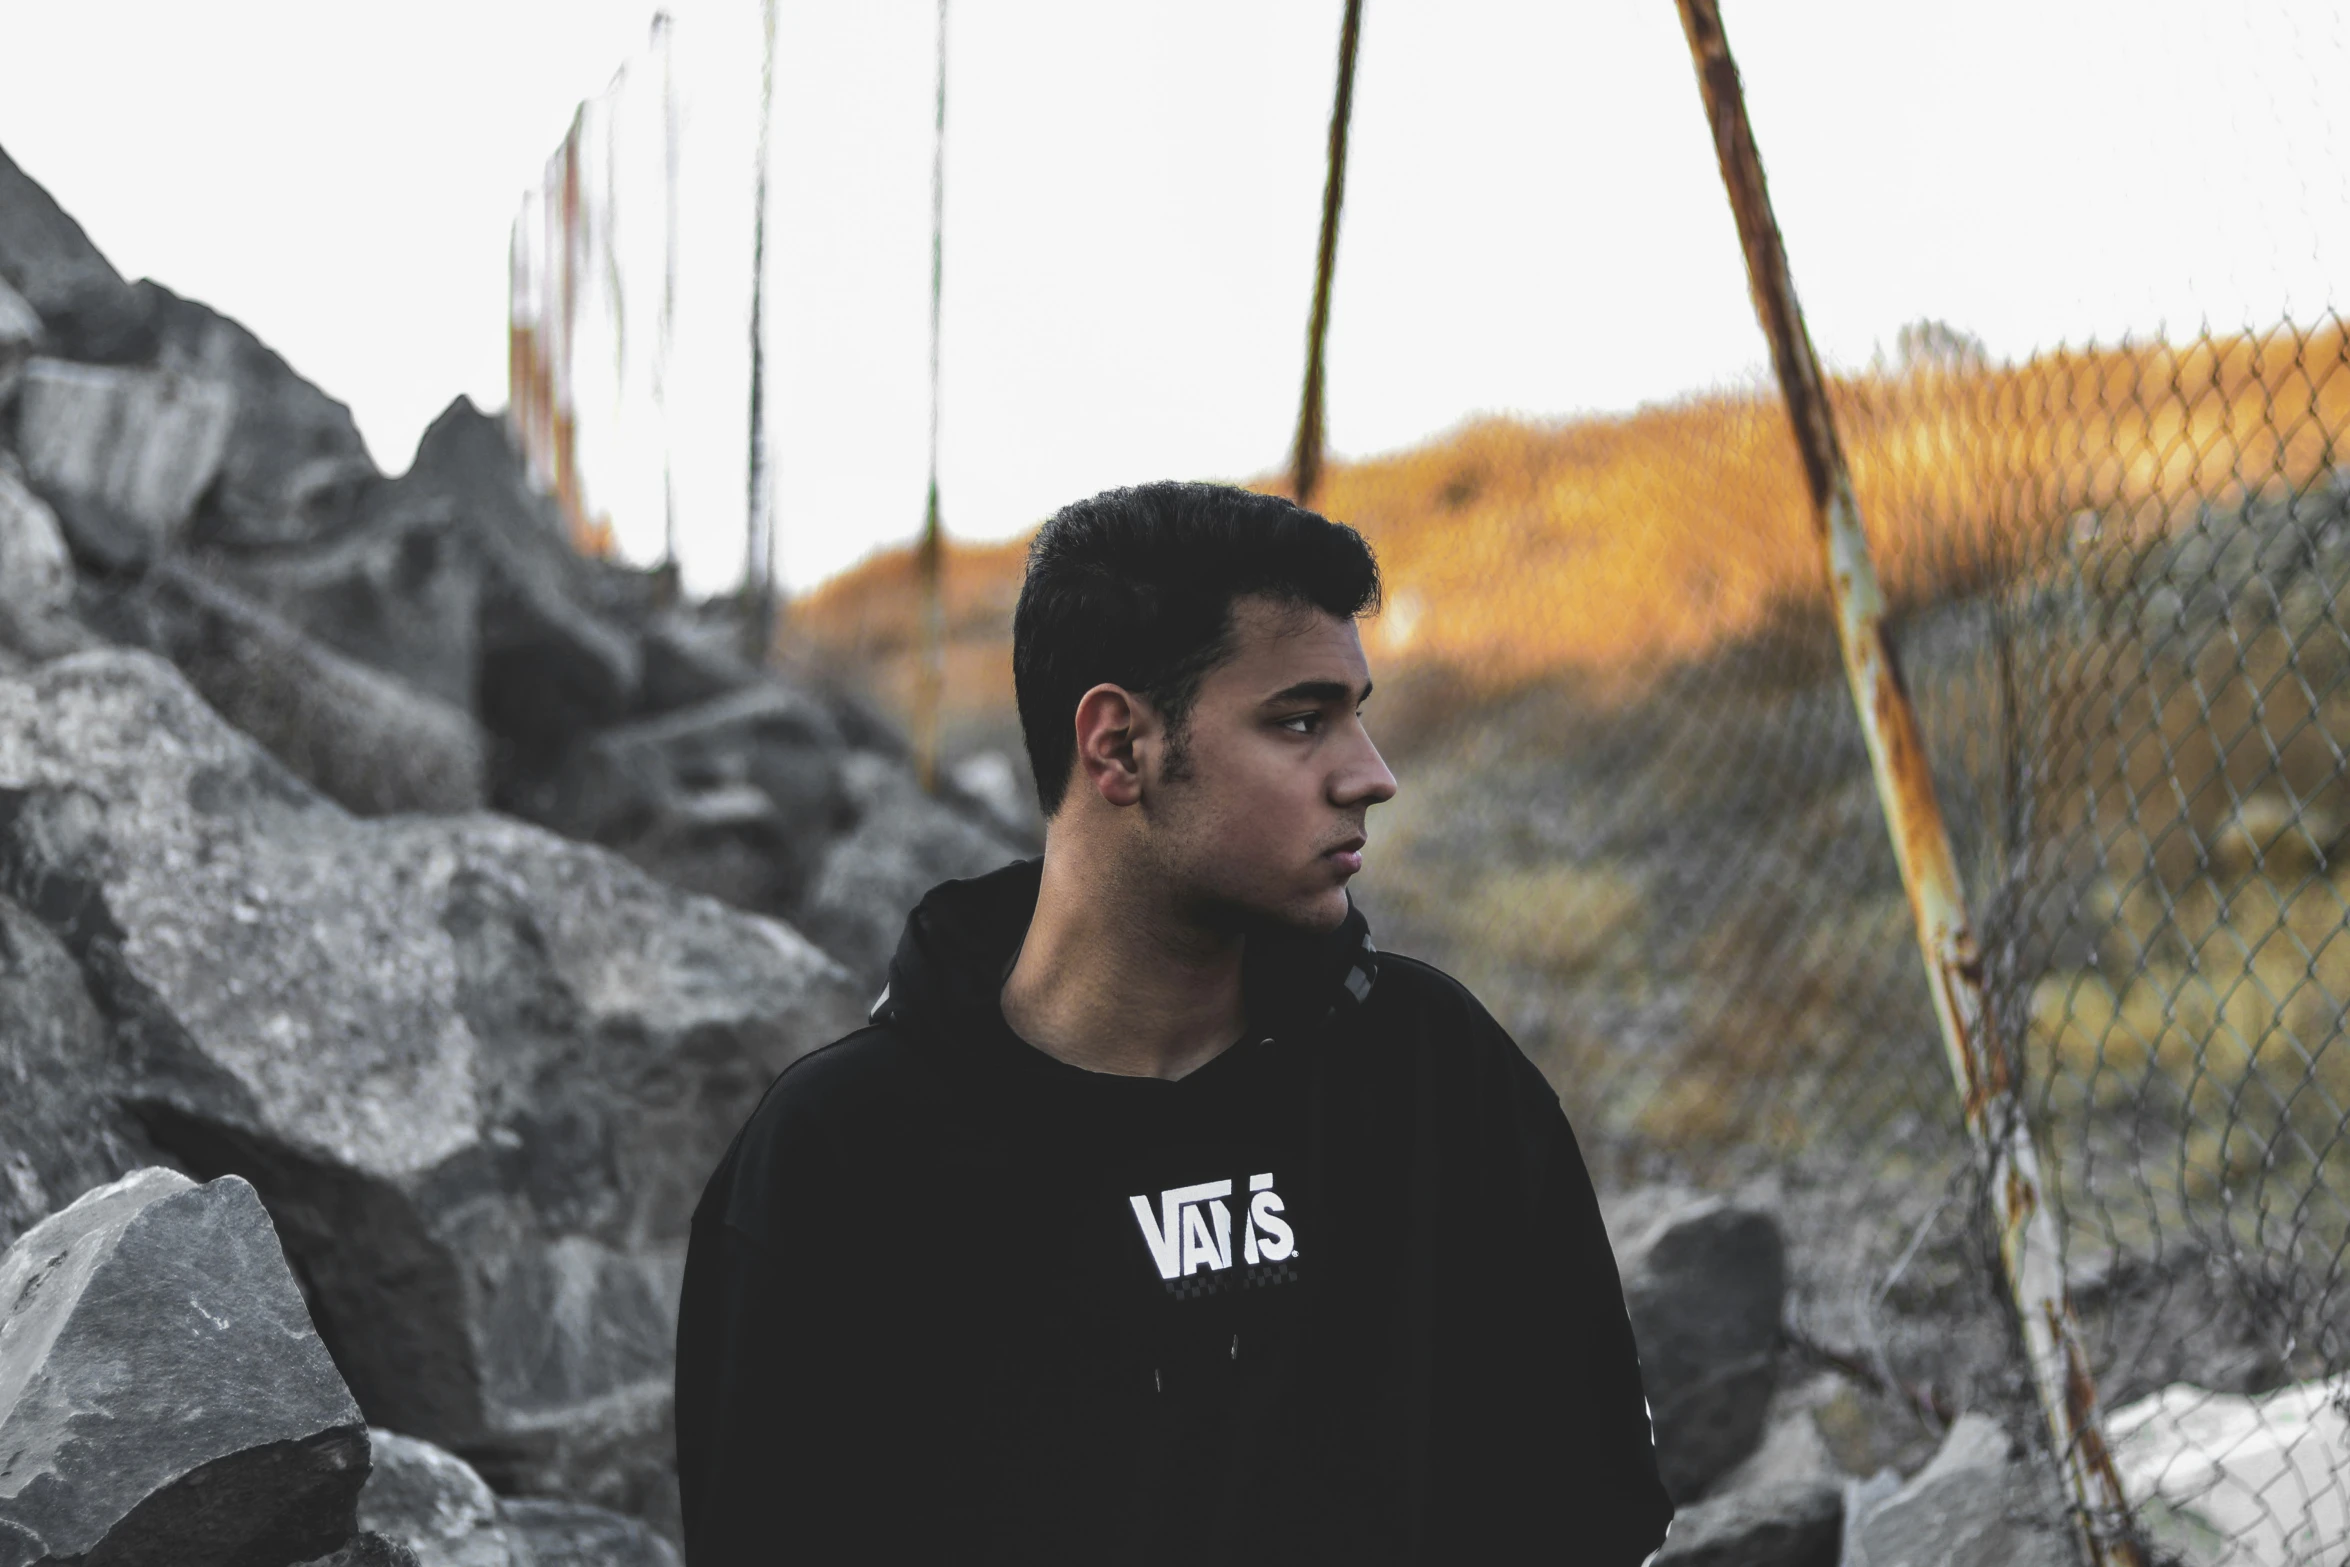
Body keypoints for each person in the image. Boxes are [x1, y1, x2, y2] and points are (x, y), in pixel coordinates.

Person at [675, 482, 1672, 1564]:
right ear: (1117, 748)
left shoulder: (1436, 1077)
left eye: (1358, 711)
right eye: (1301, 720)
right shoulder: (842, 1160)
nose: (1370, 775)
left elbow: (1589, 1514)